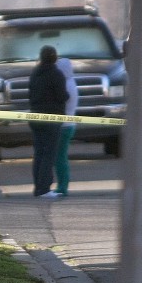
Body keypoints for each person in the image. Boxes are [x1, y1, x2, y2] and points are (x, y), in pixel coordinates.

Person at [28, 45, 68, 198]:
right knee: (49, 154)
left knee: (39, 153)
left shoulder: (35, 73)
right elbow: (62, 96)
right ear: (55, 58)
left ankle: (38, 187)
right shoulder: (56, 74)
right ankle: (44, 189)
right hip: (52, 118)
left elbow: (30, 94)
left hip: (35, 117)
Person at [54, 57, 79, 197]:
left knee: (60, 158)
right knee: (61, 157)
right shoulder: (71, 82)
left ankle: (63, 186)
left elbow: (62, 99)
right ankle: (62, 184)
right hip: (68, 124)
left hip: (64, 125)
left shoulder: (66, 85)